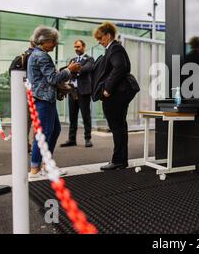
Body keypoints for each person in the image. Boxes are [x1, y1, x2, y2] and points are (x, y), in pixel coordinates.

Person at [27, 26, 81, 178]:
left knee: (55, 130)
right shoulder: (42, 56)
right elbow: (53, 79)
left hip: (43, 99)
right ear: (45, 41)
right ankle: (36, 168)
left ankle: (46, 164)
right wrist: (70, 69)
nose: (56, 44)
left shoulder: (35, 54)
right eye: (54, 41)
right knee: (44, 134)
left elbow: (47, 77)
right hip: (44, 99)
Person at [92, 22, 131, 171]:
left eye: (101, 38)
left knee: (117, 127)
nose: (99, 41)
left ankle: (118, 161)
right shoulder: (114, 48)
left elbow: (120, 67)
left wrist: (107, 89)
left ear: (108, 35)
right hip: (117, 95)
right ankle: (121, 161)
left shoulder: (114, 48)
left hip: (115, 96)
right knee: (120, 127)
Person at [60, 40, 95, 148]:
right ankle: (71, 139)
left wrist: (73, 70)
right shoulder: (73, 60)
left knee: (86, 116)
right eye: (75, 47)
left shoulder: (89, 59)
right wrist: (72, 70)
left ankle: (88, 139)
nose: (76, 48)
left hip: (83, 92)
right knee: (72, 117)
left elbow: (87, 69)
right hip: (72, 92)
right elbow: (64, 70)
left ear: (84, 47)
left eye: (78, 46)